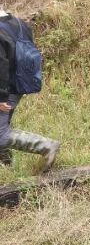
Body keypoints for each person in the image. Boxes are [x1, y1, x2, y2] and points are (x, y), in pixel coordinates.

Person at [0, 10, 60, 172]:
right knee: (3, 126)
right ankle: (6, 168)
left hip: (6, 89)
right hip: (19, 84)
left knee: (1, 135)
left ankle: (46, 146)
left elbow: (1, 66)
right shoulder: (19, 23)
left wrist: (1, 97)